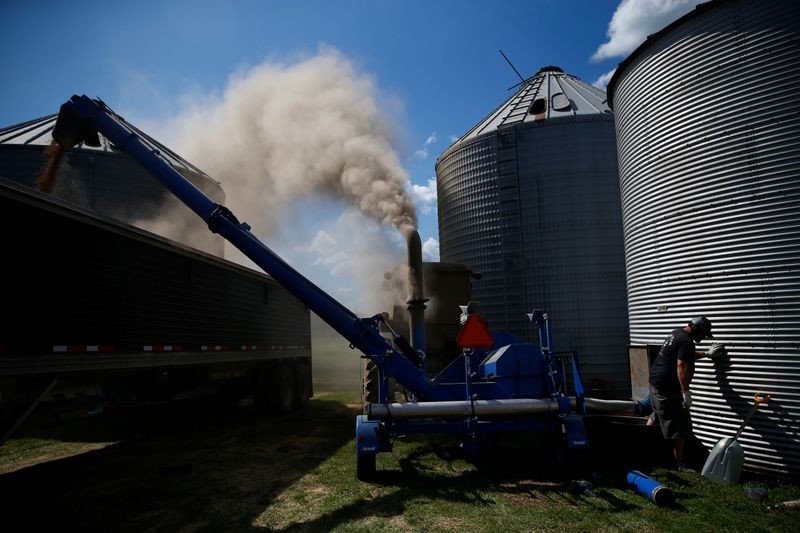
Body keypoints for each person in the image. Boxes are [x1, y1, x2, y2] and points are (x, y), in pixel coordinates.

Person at [649, 316, 726, 470]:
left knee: (656, 415)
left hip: (656, 383)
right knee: (681, 425)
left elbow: (685, 354)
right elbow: (682, 365)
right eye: (703, 334)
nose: (703, 337)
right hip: (668, 389)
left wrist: (706, 354)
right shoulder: (686, 341)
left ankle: (646, 450)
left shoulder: (676, 333)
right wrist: (685, 392)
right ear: (696, 330)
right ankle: (679, 463)